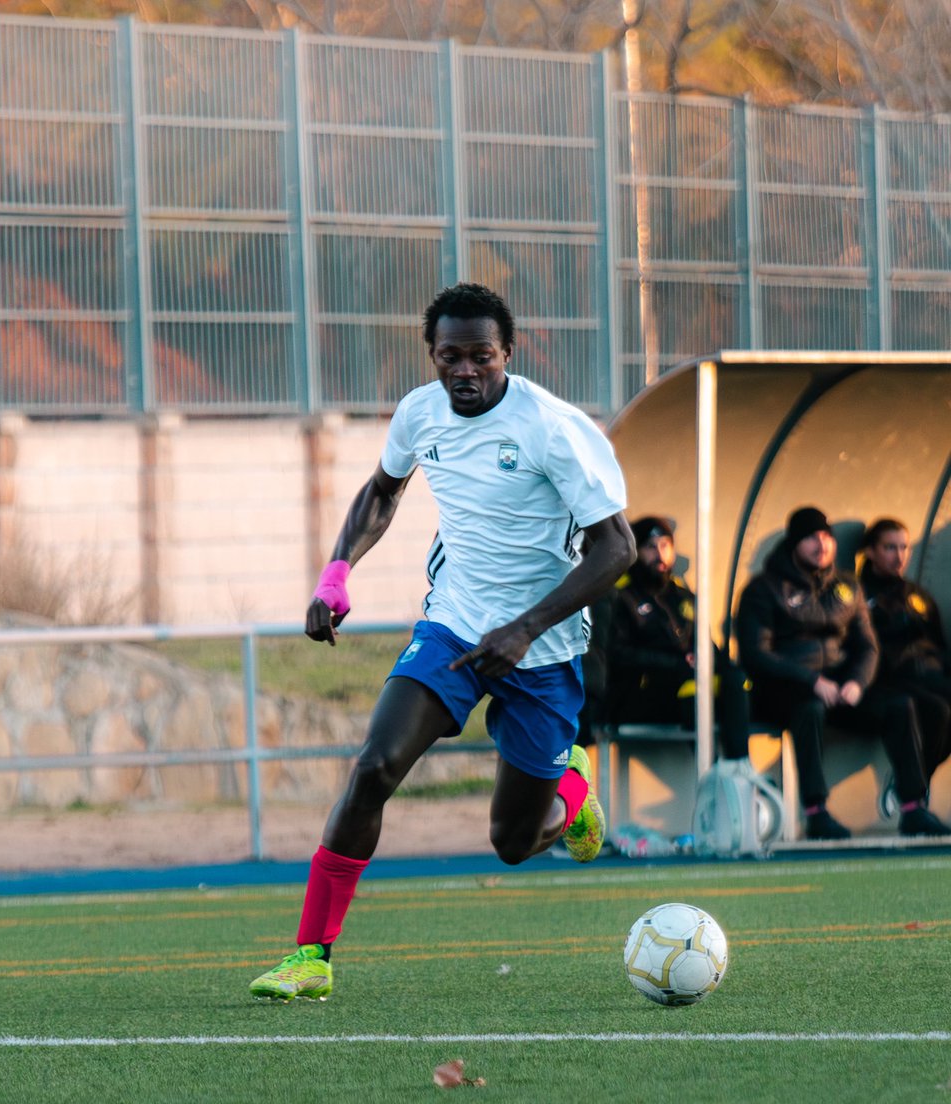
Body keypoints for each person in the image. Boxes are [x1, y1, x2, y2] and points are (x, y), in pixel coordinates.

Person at [249, 282, 635, 1001]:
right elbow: (383, 491)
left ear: (507, 355)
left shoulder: (556, 429)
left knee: (512, 844)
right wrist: (336, 574)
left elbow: (617, 549)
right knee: (374, 767)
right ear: (432, 355)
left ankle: (574, 789)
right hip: (453, 627)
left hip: (542, 652)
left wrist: (523, 630)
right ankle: (310, 956)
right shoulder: (420, 413)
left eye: (480, 357)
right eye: (450, 357)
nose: (465, 371)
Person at [736, 506, 944, 840]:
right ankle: (816, 811)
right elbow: (756, 653)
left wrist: (857, 683)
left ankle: (912, 807)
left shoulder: (846, 587)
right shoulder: (765, 588)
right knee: (810, 709)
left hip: (839, 687)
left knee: (899, 704)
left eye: (826, 538)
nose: (821, 546)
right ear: (794, 544)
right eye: (811, 539)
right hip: (786, 689)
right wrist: (811, 681)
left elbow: (868, 646)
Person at [596, 515, 756, 767]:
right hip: (640, 693)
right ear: (636, 551)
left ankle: (738, 767)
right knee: (694, 690)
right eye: (651, 546)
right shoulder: (621, 595)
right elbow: (618, 654)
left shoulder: (681, 595)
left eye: (665, 545)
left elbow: (707, 646)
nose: (660, 554)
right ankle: (711, 773)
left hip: (683, 685)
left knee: (734, 678)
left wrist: (706, 660)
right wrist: (678, 662)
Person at [859, 518, 951, 819]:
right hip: (892, 681)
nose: (899, 556)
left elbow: (937, 644)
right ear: (871, 552)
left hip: (931, 677)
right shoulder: (860, 597)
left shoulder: (917, 596)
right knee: (938, 710)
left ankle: (912, 782)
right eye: (889, 548)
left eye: (904, 547)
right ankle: (912, 792)